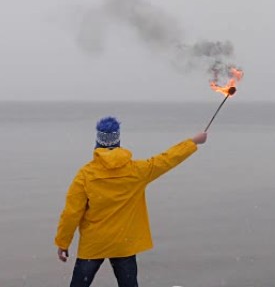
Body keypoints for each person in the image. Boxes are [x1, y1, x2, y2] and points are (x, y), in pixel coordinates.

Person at [55, 116, 208, 287]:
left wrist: (63, 242)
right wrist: (193, 142)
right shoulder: (137, 171)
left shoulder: (85, 175)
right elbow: (167, 159)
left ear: (98, 141)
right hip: (123, 243)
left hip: (94, 244)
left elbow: (71, 213)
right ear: (118, 139)